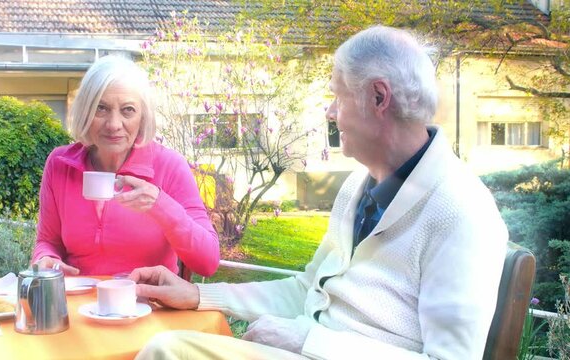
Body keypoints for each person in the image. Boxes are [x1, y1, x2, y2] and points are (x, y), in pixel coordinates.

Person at [129, 25, 508, 359]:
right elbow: (306, 290)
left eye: (338, 96)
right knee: (170, 344)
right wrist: (197, 296)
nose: (330, 112)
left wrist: (309, 341)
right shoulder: (358, 187)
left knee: (167, 352)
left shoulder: (461, 209)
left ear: (379, 97)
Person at [31, 55, 220, 277]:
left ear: (143, 116)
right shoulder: (60, 164)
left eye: (128, 110)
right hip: (79, 304)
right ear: (86, 111)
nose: (113, 125)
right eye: (101, 108)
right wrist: (47, 260)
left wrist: (159, 203)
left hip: (149, 304)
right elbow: (47, 242)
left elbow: (208, 262)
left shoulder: (169, 166)